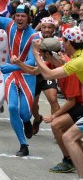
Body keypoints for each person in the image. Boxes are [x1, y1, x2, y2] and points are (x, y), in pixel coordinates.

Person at [0, 0, 39, 156]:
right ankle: (23, 144)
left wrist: (13, 66)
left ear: (29, 19)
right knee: (13, 108)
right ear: (14, 16)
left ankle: (27, 121)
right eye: (17, 16)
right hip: (10, 75)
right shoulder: (9, 24)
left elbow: (31, 61)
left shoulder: (34, 36)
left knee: (24, 112)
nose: (20, 19)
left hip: (27, 75)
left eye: (23, 16)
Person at [31, 35, 83, 175]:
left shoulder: (75, 62)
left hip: (80, 105)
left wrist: (35, 54)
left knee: (67, 135)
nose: (62, 46)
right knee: (70, 137)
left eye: (64, 41)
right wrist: (16, 64)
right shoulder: (71, 60)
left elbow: (48, 75)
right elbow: (35, 71)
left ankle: (70, 161)